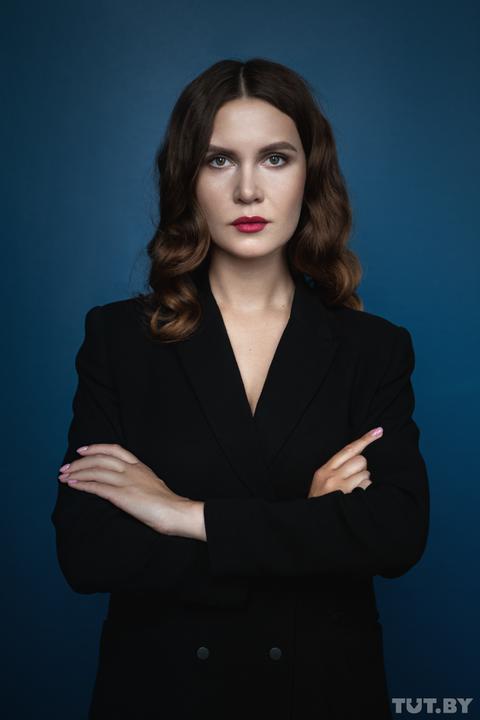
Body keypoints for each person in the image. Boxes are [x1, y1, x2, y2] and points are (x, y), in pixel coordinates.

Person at [51, 57, 430, 720]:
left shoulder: (373, 349)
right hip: (163, 696)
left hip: (321, 695)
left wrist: (181, 515)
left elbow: (396, 535)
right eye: (219, 160)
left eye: (275, 159)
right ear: (187, 178)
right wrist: (307, 525)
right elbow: (87, 552)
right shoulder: (119, 339)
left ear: (310, 174)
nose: (248, 190)